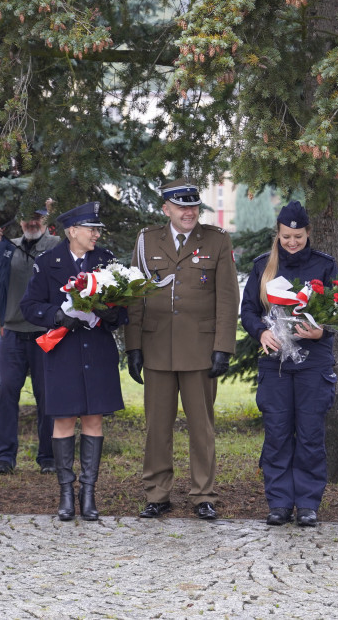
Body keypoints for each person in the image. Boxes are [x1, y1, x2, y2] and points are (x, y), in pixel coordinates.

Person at [124, 178, 239, 520]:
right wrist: (133, 346)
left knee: (201, 427)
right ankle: (157, 493)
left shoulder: (216, 240)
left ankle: (203, 494)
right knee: (157, 427)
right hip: (157, 345)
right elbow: (134, 295)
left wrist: (223, 347)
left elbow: (227, 297)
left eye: (193, 206)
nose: (188, 213)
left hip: (200, 348)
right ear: (166, 209)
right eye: (180, 206)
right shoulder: (147, 241)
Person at [19, 202, 126, 521]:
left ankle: (88, 495)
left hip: (96, 350)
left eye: (98, 230)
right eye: (91, 229)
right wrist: (58, 315)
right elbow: (30, 306)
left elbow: (123, 310)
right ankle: (66, 494)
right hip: (63, 352)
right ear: (72, 231)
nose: (96, 234)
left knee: (94, 419)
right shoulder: (48, 261)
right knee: (63, 421)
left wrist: (110, 312)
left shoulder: (105, 260)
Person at [239, 201, 338, 527]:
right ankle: (279, 503)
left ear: (308, 232)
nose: (292, 242)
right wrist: (261, 333)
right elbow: (249, 311)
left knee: (310, 435)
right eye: (286, 237)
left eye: (297, 236)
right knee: (278, 434)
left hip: (314, 363)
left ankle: (308, 503)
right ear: (278, 234)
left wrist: (321, 330)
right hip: (276, 364)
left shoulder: (325, 265)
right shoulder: (262, 266)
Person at [0, 200, 58, 476]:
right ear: (20, 222)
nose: (31, 223)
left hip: (46, 334)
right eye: (26, 219)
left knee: (47, 396)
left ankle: (48, 457)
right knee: (7, 392)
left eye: (37, 217)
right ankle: (5, 457)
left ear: (46, 220)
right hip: (12, 334)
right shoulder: (6, 246)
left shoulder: (57, 246)